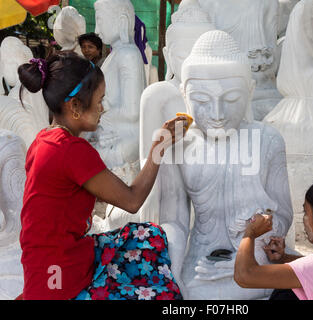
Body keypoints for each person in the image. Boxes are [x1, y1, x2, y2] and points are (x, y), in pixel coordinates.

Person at [17, 51, 187, 300]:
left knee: (147, 236)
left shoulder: (44, 140)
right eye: (99, 101)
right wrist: (158, 149)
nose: (103, 108)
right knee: (157, 288)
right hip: (58, 274)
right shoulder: (72, 150)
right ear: (75, 106)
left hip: (48, 260)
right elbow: (132, 200)